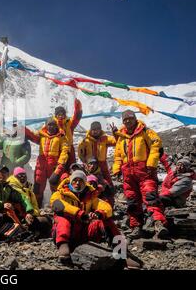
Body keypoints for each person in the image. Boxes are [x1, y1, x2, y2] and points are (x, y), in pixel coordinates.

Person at [112, 110, 168, 239]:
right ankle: (136, 227)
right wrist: (116, 170)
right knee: (132, 200)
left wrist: (151, 163)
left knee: (150, 197)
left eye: (130, 118)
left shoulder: (144, 131)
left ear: (135, 118)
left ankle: (159, 224)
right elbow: (118, 155)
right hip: (128, 174)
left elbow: (156, 144)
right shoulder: (121, 136)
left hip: (145, 172)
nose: (127, 121)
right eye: (125, 119)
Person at [50, 170, 114, 263]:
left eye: (81, 181)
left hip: (83, 234)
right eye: (75, 180)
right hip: (66, 234)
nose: (77, 183)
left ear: (85, 183)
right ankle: (63, 247)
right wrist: (79, 213)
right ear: (71, 181)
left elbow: (105, 206)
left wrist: (98, 213)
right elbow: (57, 204)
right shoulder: (60, 193)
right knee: (63, 220)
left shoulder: (90, 195)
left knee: (106, 221)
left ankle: (121, 252)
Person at [24, 118, 69, 206]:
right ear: (46, 125)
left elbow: (65, 151)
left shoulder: (61, 136)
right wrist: (22, 127)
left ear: (56, 125)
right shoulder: (41, 135)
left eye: (53, 124)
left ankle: (56, 208)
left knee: (56, 188)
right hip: (41, 166)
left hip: (54, 166)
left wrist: (59, 168)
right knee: (37, 188)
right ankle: (38, 207)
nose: (51, 127)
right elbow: (32, 135)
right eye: (49, 124)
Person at [8, 167, 52, 237]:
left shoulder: (29, 188)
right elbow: (21, 204)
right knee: (46, 221)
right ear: (15, 177)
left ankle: (36, 233)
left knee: (48, 219)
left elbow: (35, 205)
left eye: (24, 175)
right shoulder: (13, 188)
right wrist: (29, 214)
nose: (22, 177)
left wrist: (34, 213)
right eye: (20, 175)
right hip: (20, 216)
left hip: (30, 214)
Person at [54, 98, 82, 167]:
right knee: (59, 168)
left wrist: (78, 108)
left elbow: (76, 118)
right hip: (58, 149)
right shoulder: (52, 124)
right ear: (56, 115)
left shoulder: (69, 123)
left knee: (72, 166)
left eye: (62, 114)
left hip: (70, 148)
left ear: (65, 115)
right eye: (59, 114)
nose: (60, 116)